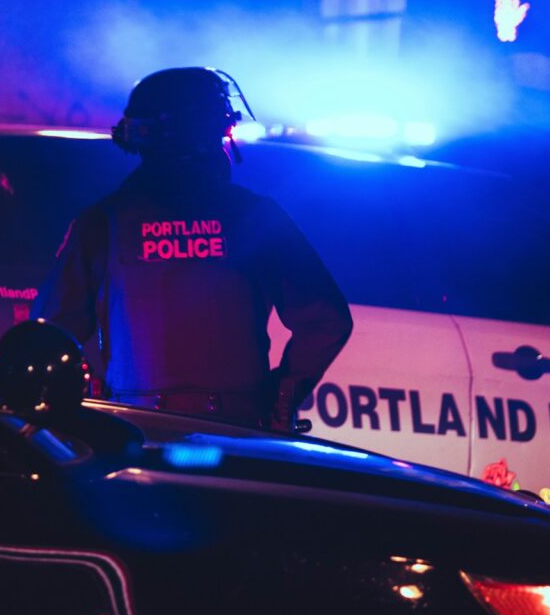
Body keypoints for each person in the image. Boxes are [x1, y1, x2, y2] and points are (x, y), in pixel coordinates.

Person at [31, 67, 352, 431]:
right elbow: (326, 320)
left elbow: (48, 333)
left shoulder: (102, 222)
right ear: (211, 131)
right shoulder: (255, 215)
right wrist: (279, 400)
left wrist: (91, 402)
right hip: (238, 431)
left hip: (135, 430)